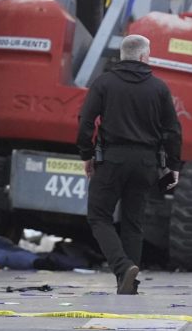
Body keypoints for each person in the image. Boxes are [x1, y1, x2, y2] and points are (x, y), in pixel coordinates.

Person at [76, 34, 182, 295]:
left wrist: (86, 155)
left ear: (122, 55)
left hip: (112, 159)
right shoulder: (159, 88)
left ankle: (123, 268)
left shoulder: (104, 83)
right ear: (145, 56)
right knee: (133, 222)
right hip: (146, 162)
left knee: (99, 216)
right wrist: (173, 164)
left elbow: (85, 122)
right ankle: (129, 285)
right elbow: (173, 130)